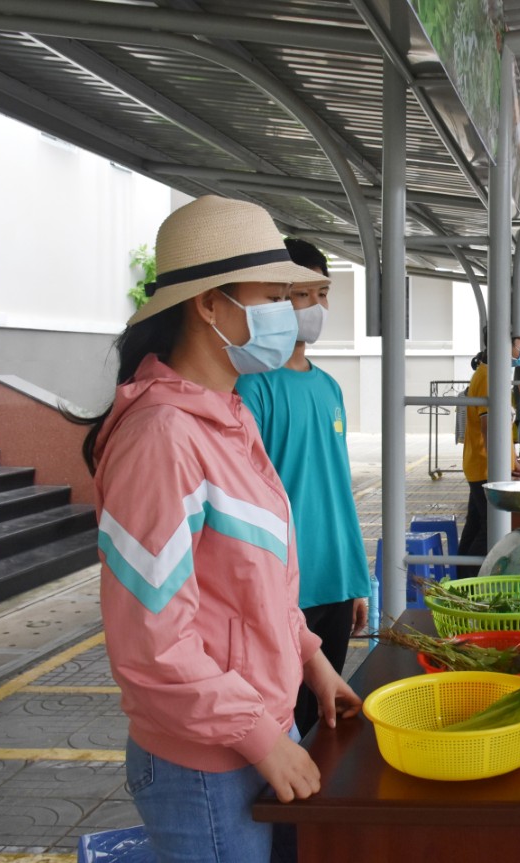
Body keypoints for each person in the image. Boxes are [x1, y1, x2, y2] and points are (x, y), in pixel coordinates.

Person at [77, 196, 361, 862]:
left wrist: (312, 660)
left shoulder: (227, 415)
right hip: (206, 763)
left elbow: (255, 583)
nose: (289, 315)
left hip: (253, 728)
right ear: (210, 304)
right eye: (273, 296)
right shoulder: (162, 438)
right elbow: (153, 644)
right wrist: (262, 740)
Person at [235, 237, 370, 737]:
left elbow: (338, 488)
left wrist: (356, 579)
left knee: (326, 722)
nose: (315, 307)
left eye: (323, 294)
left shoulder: (329, 387)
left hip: (335, 581)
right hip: (286, 589)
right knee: (288, 719)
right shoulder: (253, 387)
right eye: (301, 295)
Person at [459, 330, 520, 578]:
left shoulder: (491, 375)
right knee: (490, 531)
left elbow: (500, 430)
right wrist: (503, 466)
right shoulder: (488, 378)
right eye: (519, 344)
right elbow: (489, 430)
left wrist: (512, 460)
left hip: (483, 465)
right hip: (486, 467)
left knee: (476, 527)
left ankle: (460, 580)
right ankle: (469, 583)